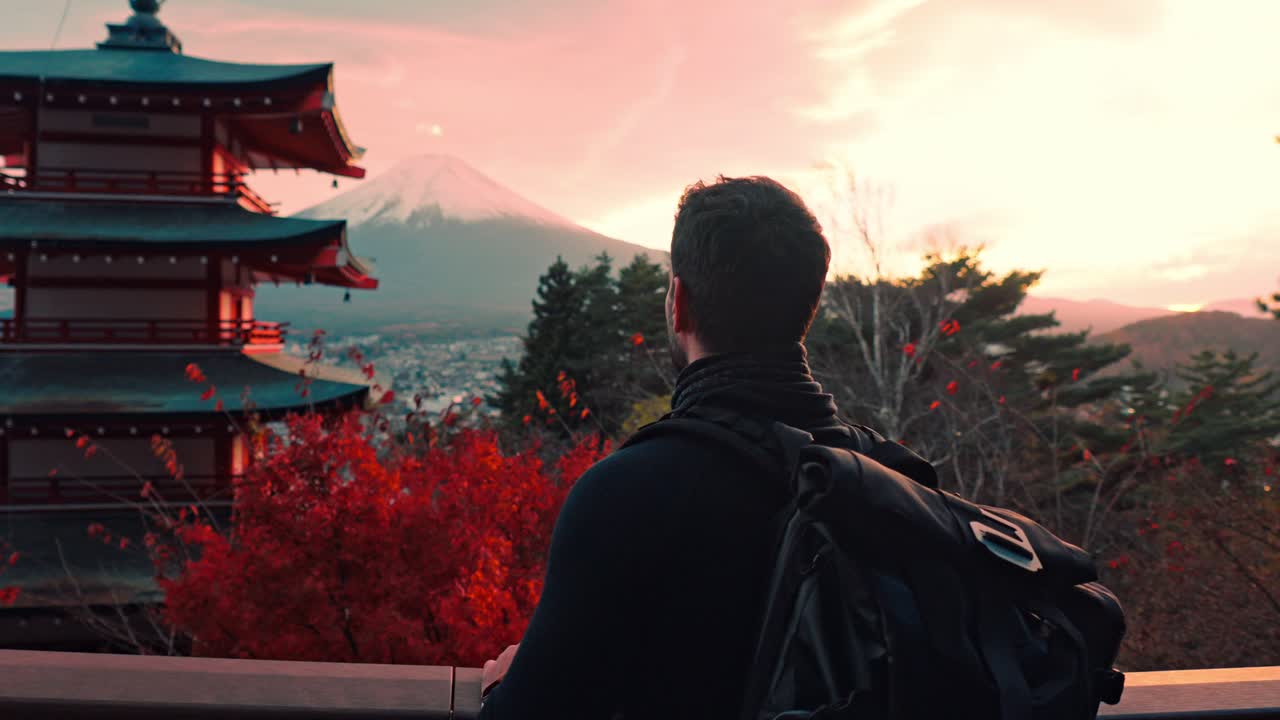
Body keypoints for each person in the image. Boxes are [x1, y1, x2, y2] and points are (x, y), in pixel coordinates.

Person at [478, 175, 838, 719]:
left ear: (679, 302)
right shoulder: (882, 482)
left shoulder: (628, 494)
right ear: (808, 304)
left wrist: (506, 686)